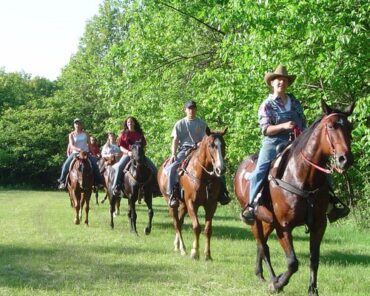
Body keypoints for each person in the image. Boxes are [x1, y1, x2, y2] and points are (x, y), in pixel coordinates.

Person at [241, 65, 350, 223]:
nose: (281, 82)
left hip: (297, 141)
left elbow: (303, 123)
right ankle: (251, 206)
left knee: (321, 166)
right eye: (278, 80)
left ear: (287, 83)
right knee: (260, 170)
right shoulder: (267, 104)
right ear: (272, 83)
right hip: (274, 142)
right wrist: (283, 126)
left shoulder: (294, 101)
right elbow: (265, 129)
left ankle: (331, 203)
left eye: (284, 80)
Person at [166, 100, 231, 208]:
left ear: (196, 110)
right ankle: (172, 194)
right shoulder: (180, 124)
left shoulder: (202, 124)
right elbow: (175, 140)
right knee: (172, 167)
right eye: (189, 108)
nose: (191, 111)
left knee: (218, 167)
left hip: (199, 149)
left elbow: (207, 139)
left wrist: (200, 143)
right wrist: (173, 154)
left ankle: (222, 193)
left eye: (193, 108)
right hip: (185, 149)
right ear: (185, 110)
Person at [111, 116, 158, 195]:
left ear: (134, 123)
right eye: (128, 122)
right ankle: (116, 186)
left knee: (153, 168)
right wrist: (128, 152)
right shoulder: (123, 134)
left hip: (139, 155)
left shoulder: (139, 133)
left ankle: (155, 187)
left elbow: (143, 145)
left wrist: (141, 152)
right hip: (127, 154)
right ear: (126, 123)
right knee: (119, 167)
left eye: (131, 121)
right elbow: (121, 146)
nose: (130, 123)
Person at [57, 118, 104, 189]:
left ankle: (98, 182)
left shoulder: (86, 134)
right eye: (76, 123)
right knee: (65, 165)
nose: (77, 125)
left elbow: (89, 145)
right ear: (74, 125)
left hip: (86, 153)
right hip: (76, 153)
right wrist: (79, 149)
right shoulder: (71, 134)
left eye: (79, 123)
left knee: (95, 164)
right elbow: (72, 145)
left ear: (81, 125)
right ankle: (62, 181)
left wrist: (93, 154)